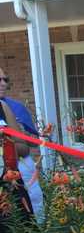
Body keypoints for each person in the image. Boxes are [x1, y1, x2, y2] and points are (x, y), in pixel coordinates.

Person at [0, 67, 44, 220]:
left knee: (29, 215)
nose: (3, 84)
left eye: (5, 79)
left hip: (15, 173)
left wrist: (7, 143)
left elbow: (31, 143)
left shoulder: (10, 107)